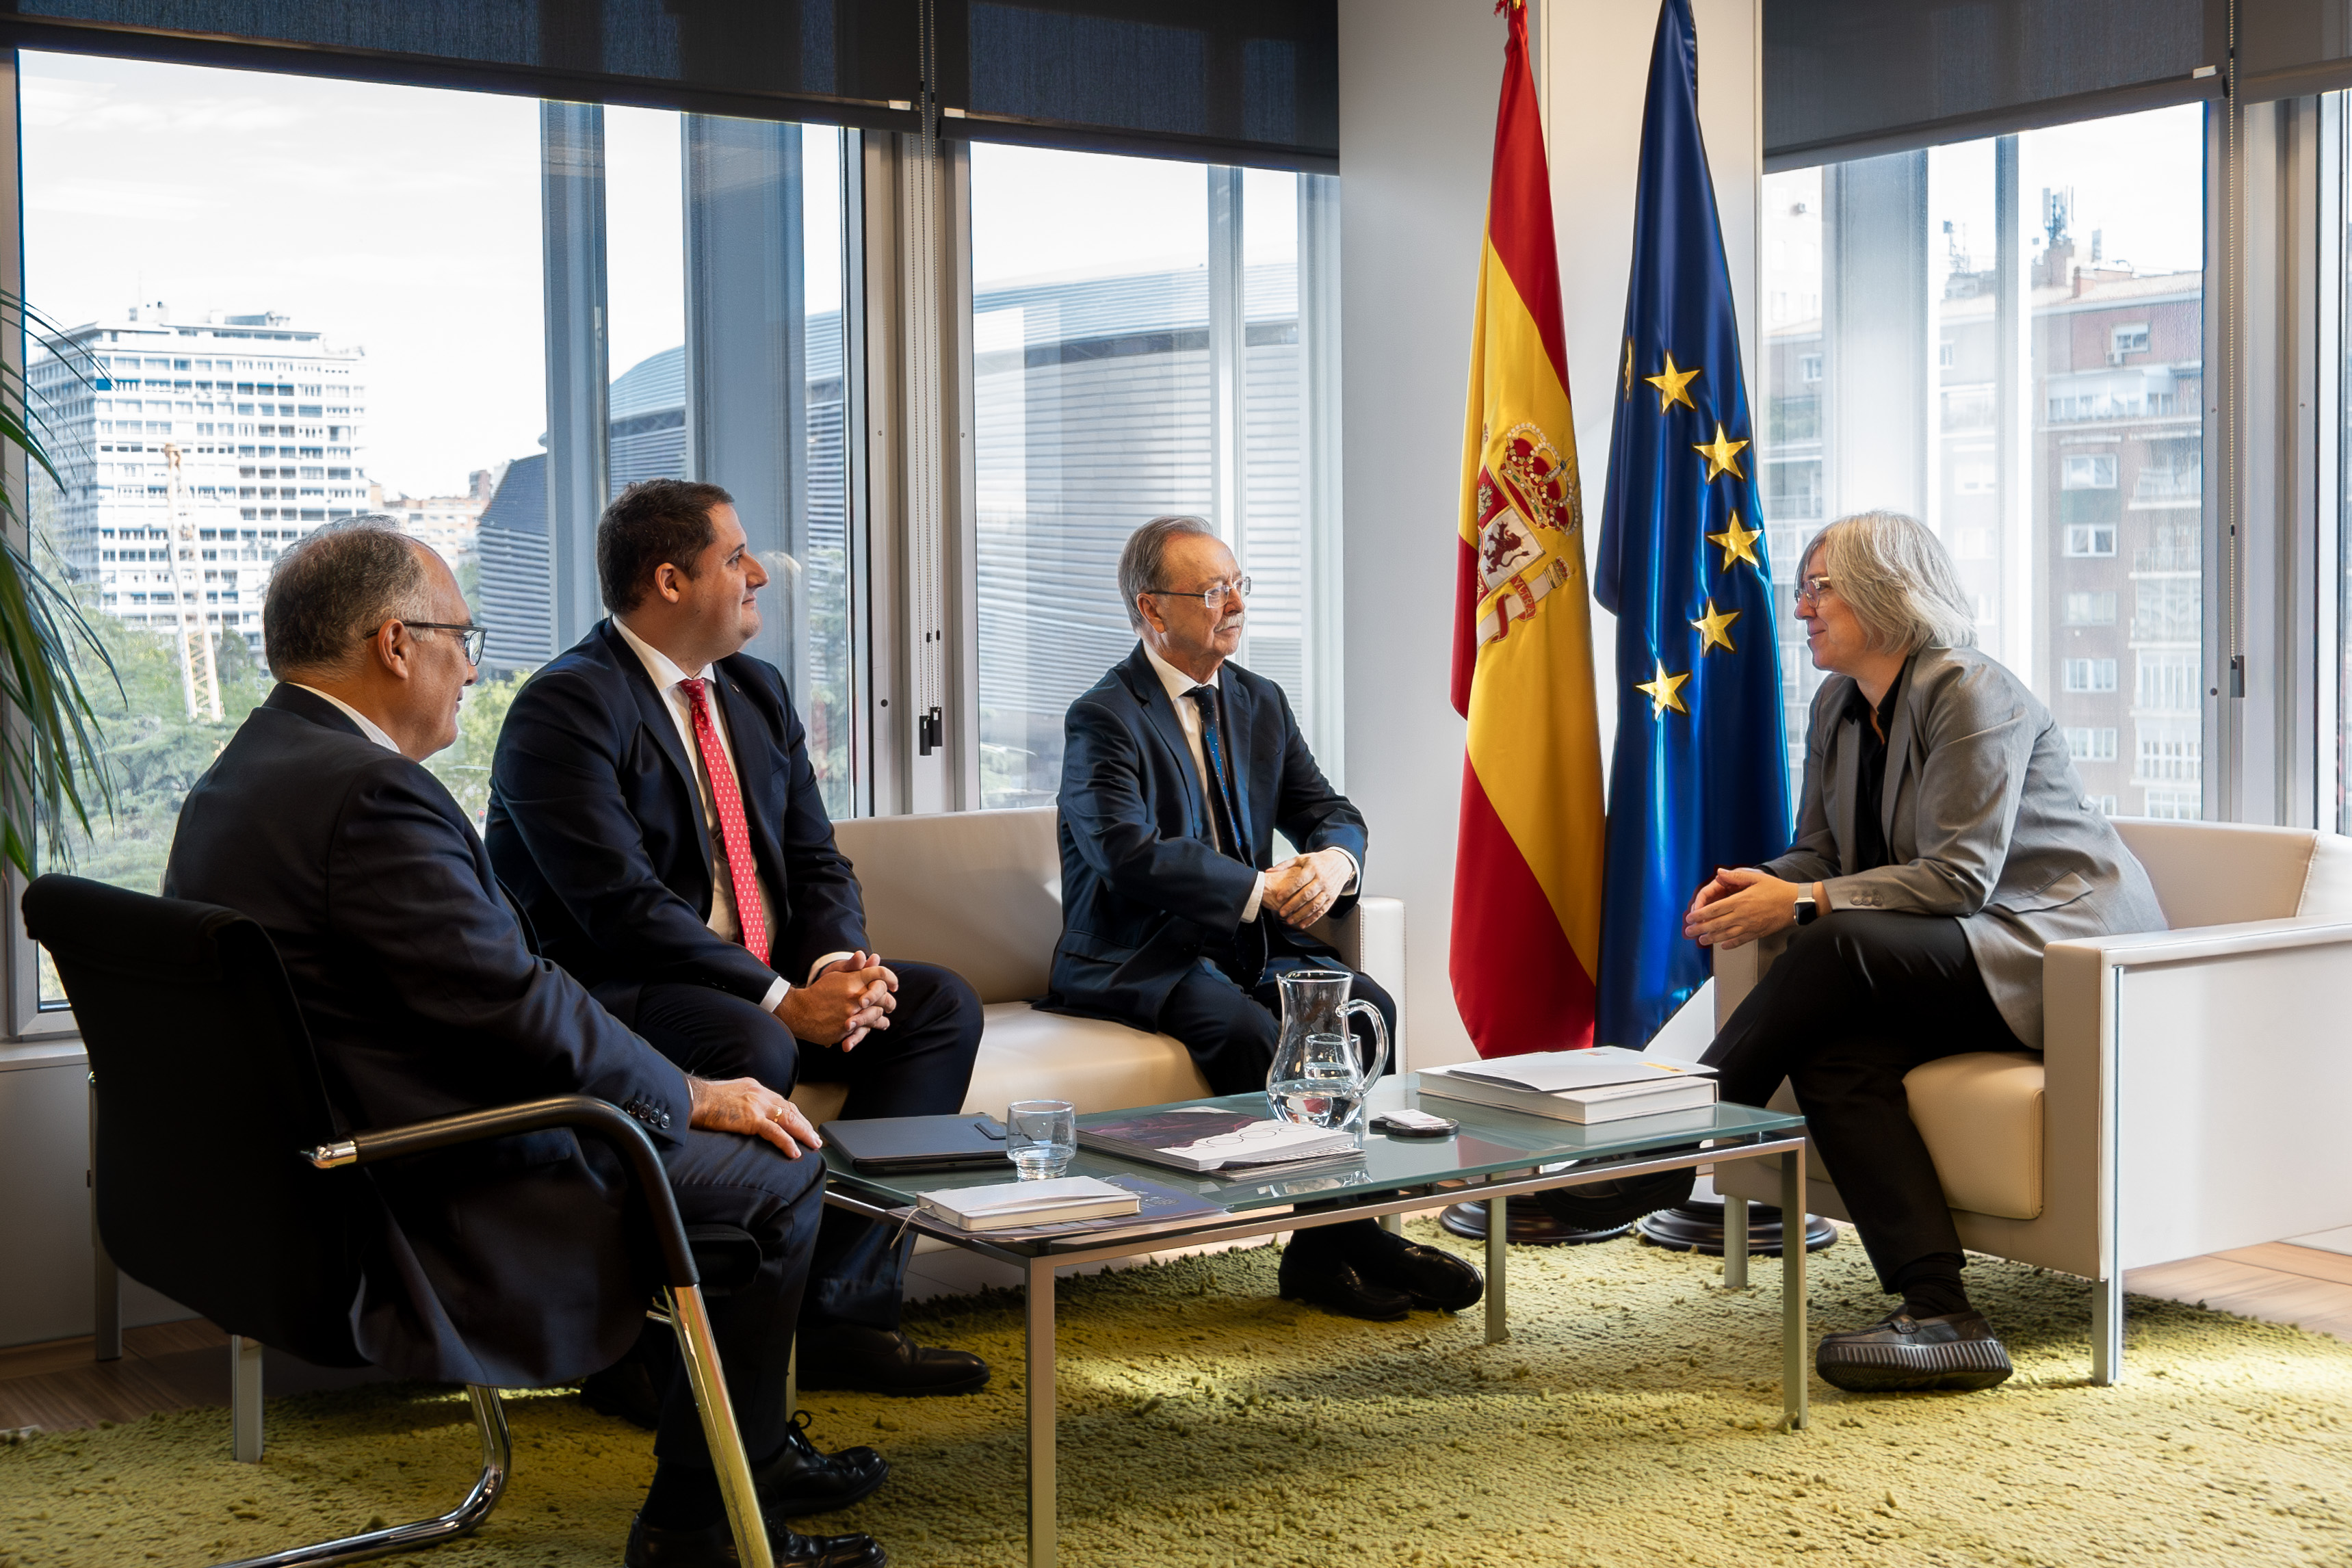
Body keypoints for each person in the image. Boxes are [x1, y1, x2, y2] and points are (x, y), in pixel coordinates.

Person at [164, 518, 885, 1568]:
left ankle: (748, 1455)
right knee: (773, 1172)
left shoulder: (247, 772)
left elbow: (485, 992)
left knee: (735, 1125)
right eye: (462, 634)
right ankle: (702, 1524)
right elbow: (511, 1004)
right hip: (422, 1172)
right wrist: (690, 1096)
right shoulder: (368, 796)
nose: (472, 664)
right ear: (394, 643)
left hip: (303, 1163)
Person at [1572, 508, 2162, 1394]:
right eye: (1800, 590)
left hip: (2058, 960)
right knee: (1832, 1053)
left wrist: (1802, 902)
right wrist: (1766, 883)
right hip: (1960, 954)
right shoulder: (1838, 704)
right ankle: (1940, 1311)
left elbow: (1959, 877)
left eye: (1820, 589)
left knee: (1829, 943)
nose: (1800, 609)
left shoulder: (1971, 692)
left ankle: (1661, 1157)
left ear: (1888, 595)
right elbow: (1825, 855)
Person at [486, 478, 986, 1400]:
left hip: (749, 975)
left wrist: (839, 966)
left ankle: (838, 1313)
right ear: (670, 581)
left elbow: (815, 857)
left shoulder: (753, 692)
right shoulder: (565, 708)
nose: (758, 574)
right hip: (614, 989)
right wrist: (782, 1002)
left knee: (936, 1007)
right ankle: (668, 1345)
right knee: (752, 1039)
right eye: (735, 558)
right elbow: (620, 910)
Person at [1048, 513, 1483, 1322]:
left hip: (1249, 942)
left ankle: (1326, 1249)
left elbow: (1328, 808)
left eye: (1240, 584)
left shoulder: (1259, 702)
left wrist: (1332, 863)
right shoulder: (1103, 716)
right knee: (1259, 1037)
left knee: (1364, 1008)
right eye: (1213, 592)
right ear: (1153, 610)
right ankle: (1356, 1241)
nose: (1235, 605)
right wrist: (1259, 887)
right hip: (1141, 952)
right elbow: (1125, 854)